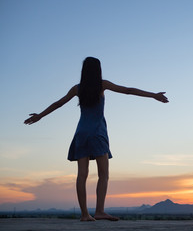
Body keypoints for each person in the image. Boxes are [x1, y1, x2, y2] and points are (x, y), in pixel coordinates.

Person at [24, 57, 169, 221]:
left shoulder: (77, 89)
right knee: (103, 174)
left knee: (82, 175)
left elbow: (58, 103)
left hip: (81, 133)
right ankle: (99, 211)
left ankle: (85, 214)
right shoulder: (102, 84)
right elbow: (128, 90)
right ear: (98, 69)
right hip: (98, 133)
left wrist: (40, 116)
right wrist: (153, 95)